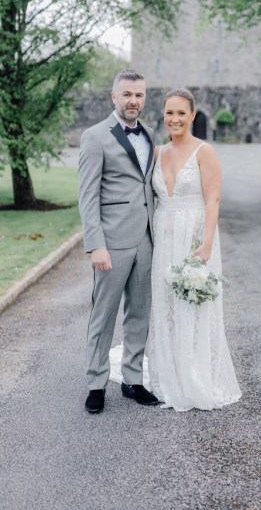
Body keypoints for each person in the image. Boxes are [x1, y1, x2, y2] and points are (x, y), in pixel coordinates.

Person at [146, 87, 241, 411]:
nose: (174, 119)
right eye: (169, 113)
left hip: (195, 239)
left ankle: (197, 376)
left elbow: (213, 198)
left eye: (181, 113)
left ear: (192, 116)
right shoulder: (157, 153)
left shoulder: (205, 151)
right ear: (163, 115)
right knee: (167, 307)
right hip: (164, 239)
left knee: (194, 306)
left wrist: (207, 243)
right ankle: (167, 374)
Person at [79, 69, 159, 413]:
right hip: (111, 242)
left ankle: (132, 378)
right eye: (127, 94)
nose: (133, 101)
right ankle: (96, 383)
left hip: (146, 240)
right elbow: (87, 195)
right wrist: (96, 244)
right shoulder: (95, 136)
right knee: (103, 314)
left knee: (139, 312)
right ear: (114, 96)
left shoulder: (151, 134)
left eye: (139, 95)